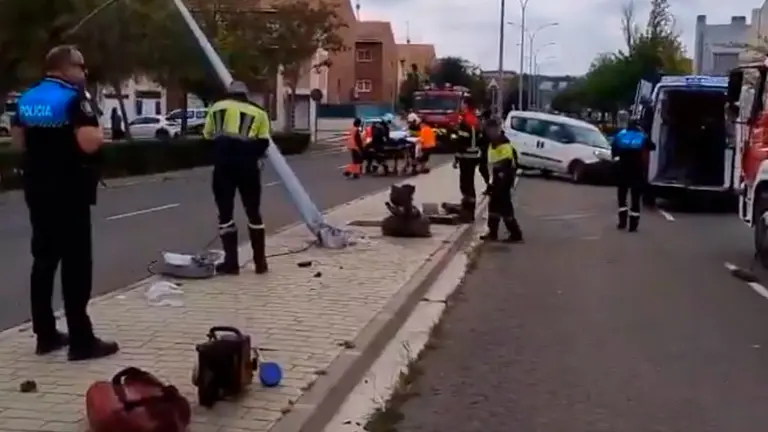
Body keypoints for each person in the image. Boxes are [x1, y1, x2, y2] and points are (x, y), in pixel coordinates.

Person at [12, 45, 118, 360]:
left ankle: (44, 334)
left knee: (44, 259)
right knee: (76, 264)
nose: (85, 74)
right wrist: (100, 135)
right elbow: (88, 144)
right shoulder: (75, 99)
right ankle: (81, 340)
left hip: (37, 188)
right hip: (70, 190)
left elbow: (19, 142)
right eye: (82, 68)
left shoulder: (27, 99)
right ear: (67, 68)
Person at [202, 81, 270, 275]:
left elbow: (206, 137)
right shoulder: (259, 112)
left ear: (229, 93)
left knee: (225, 214)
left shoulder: (216, 108)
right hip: (248, 168)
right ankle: (260, 263)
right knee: (253, 212)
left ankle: (231, 263)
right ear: (246, 94)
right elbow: (264, 142)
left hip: (223, 167)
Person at [479, 118, 523, 242]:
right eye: (488, 130)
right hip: (496, 181)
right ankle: (493, 233)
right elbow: (489, 164)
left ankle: (516, 234)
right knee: (493, 208)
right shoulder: (491, 143)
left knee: (505, 208)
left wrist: (498, 184)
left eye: (492, 130)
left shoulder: (504, 145)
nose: (489, 132)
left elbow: (505, 166)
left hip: (503, 182)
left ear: (497, 129)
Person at [611, 119, 656, 232]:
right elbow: (652, 146)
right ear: (638, 126)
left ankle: (622, 222)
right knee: (635, 197)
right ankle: (633, 225)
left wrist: (616, 160)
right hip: (637, 169)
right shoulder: (642, 136)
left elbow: (613, 149)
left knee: (622, 195)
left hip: (622, 168)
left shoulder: (621, 135)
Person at [453, 97, 482, 221]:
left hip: (466, 157)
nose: (461, 106)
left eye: (462, 104)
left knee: (465, 185)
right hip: (474, 156)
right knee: (470, 184)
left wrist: (456, 158)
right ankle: (470, 211)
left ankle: (467, 212)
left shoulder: (465, 121)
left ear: (466, 105)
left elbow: (461, 142)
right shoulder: (475, 120)